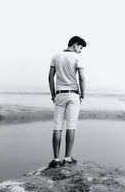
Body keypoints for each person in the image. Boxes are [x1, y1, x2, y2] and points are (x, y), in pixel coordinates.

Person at [47, 36, 87, 168]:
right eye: (80, 48)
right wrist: (83, 95)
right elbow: (81, 78)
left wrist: (53, 95)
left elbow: (50, 77)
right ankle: (68, 158)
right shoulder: (77, 57)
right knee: (71, 126)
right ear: (75, 45)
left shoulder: (55, 56)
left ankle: (56, 160)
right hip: (73, 95)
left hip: (59, 94)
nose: (80, 51)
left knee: (57, 126)